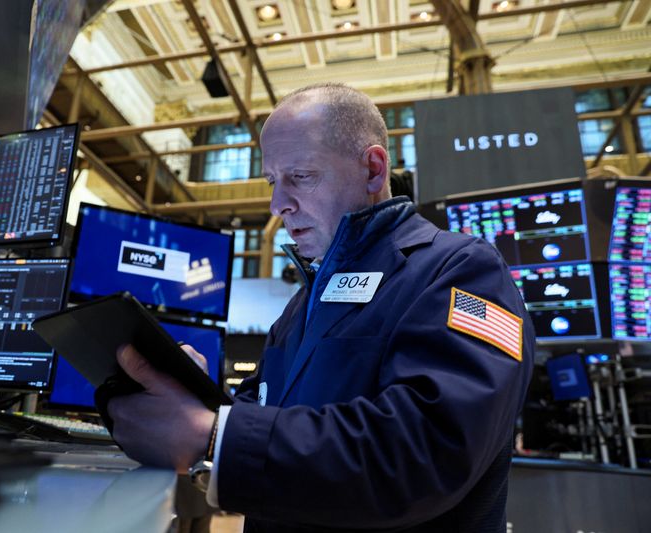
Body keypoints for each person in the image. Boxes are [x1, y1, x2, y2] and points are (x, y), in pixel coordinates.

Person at [108, 83, 535, 532]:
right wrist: (194, 396)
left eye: (300, 176)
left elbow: (430, 449)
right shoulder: (302, 303)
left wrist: (212, 437)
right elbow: (272, 417)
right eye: (274, 182)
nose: (278, 205)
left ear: (372, 170)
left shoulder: (462, 270)